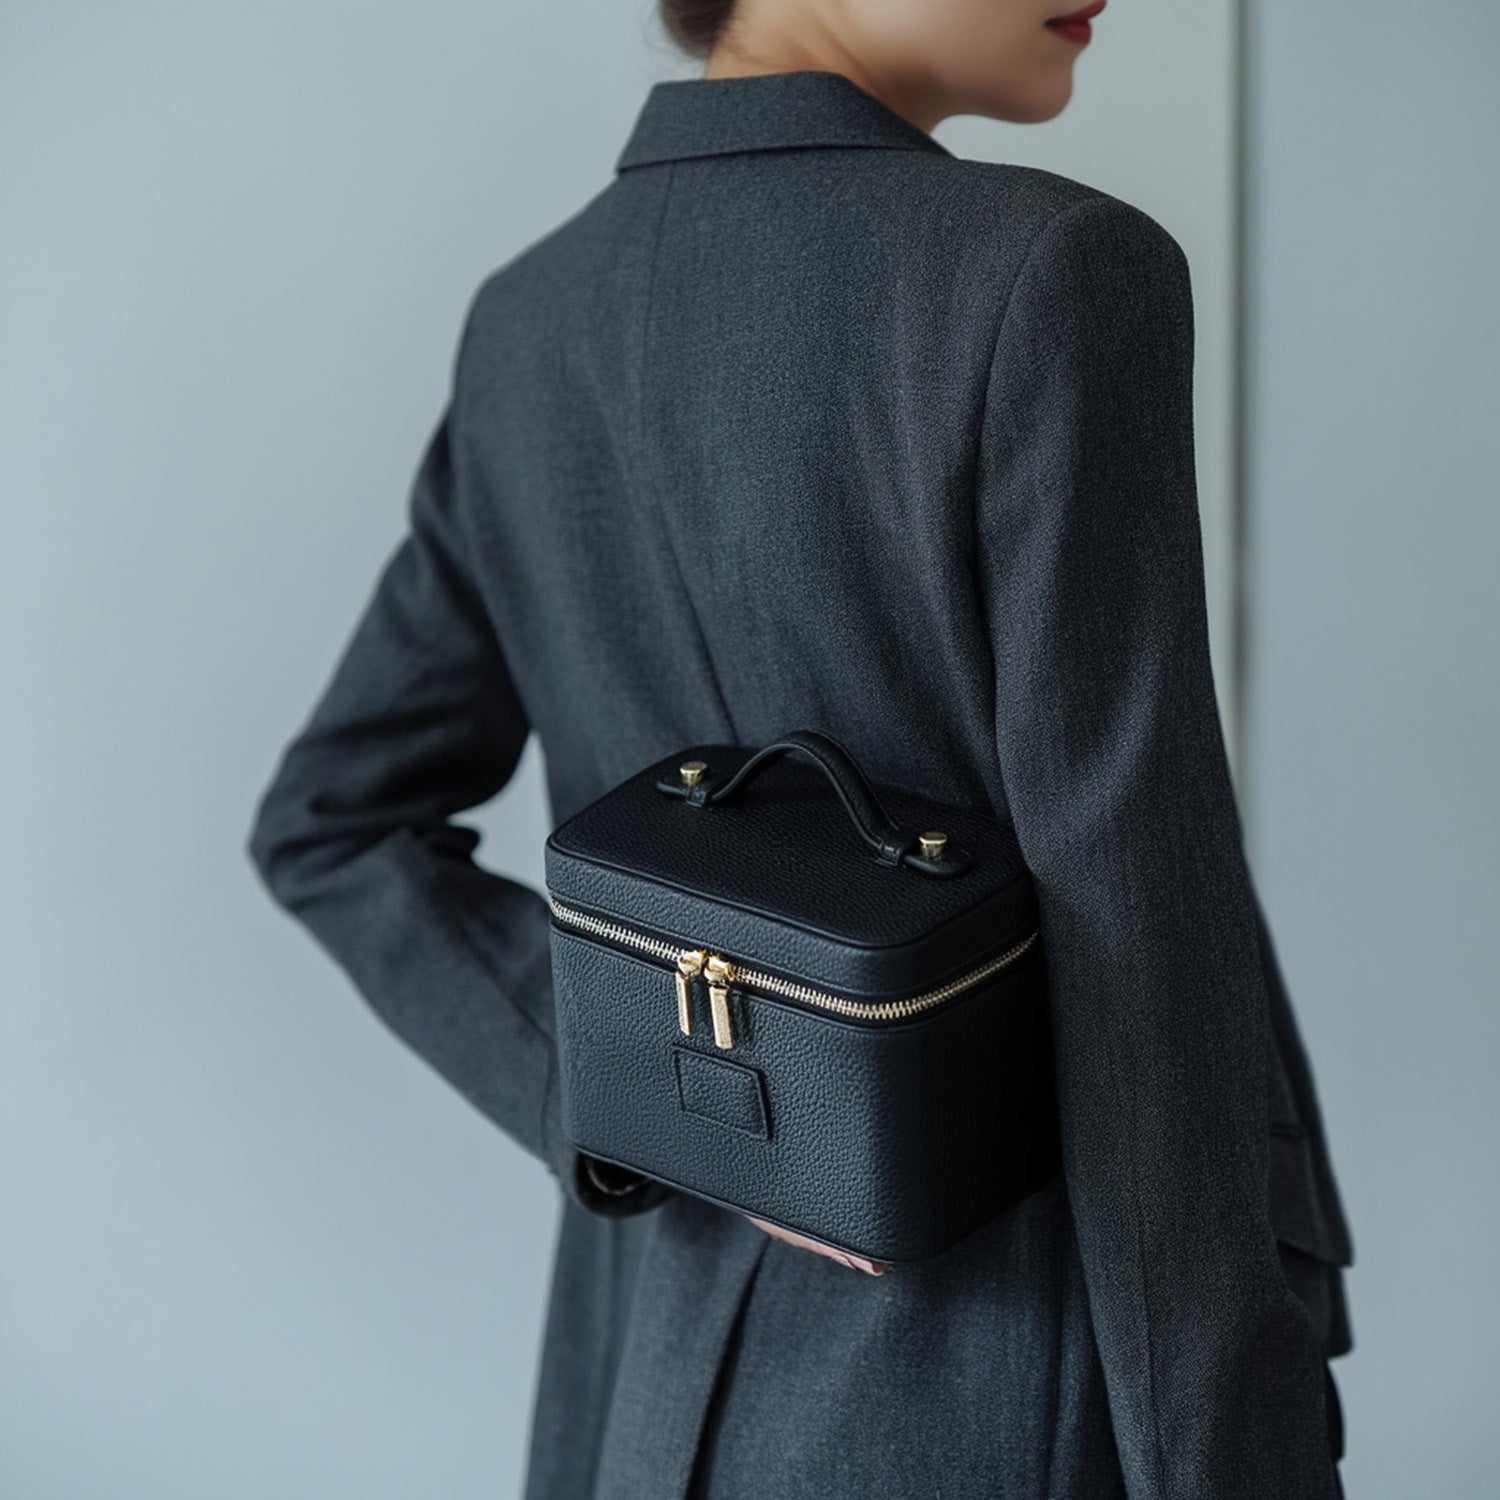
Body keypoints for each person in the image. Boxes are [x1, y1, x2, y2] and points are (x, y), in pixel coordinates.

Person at [245, 0, 1356, 1494]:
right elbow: (1139, 950)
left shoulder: (530, 320)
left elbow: (331, 823)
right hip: (1012, 1389)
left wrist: (660, 1102)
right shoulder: (1058, 274)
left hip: (647, 1397)